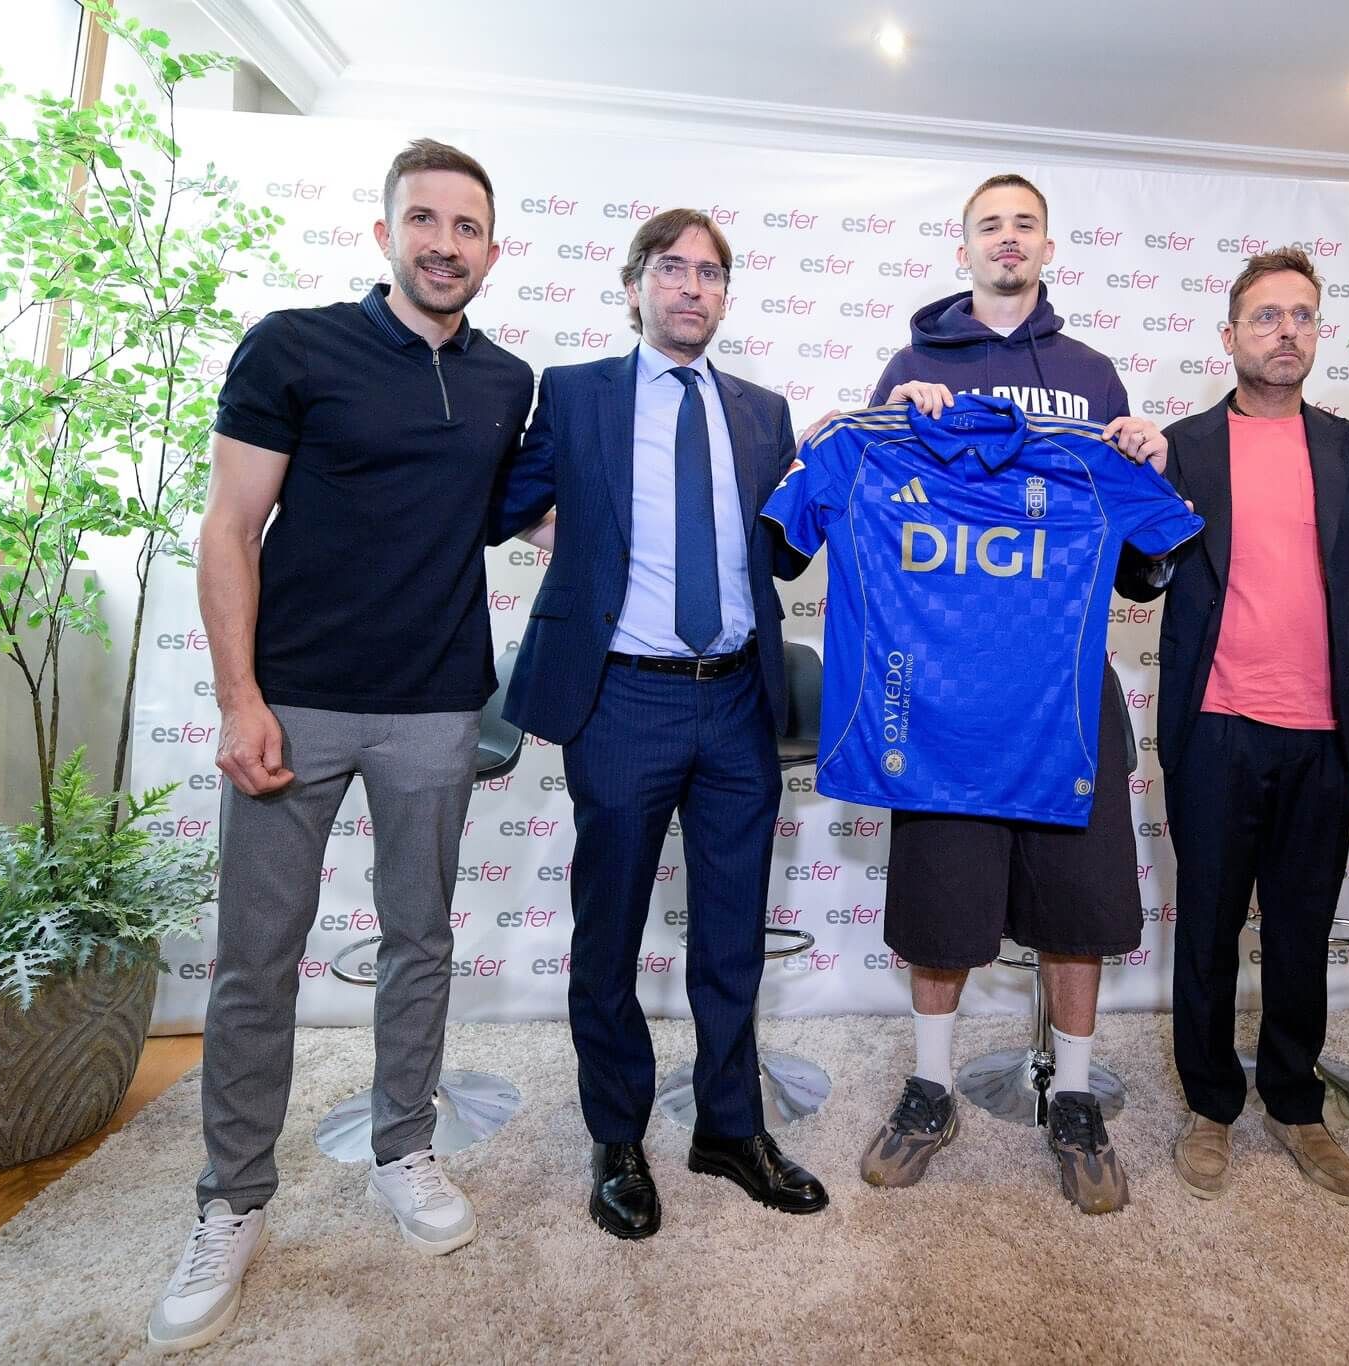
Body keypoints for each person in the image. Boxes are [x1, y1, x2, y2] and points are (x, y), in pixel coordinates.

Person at [150, 140, 533, 1353]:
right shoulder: (293, 344)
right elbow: (229, 525)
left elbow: (523, 513)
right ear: (384, 235)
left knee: (419, 941)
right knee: (255, 958)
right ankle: (232, 1201)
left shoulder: (506, 380)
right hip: (294, 702)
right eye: (422, 220)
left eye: (466, 226)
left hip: (435, 706)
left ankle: (404, 1146)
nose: (443, 242)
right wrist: (236, 697)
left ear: (491, 248)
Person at [489, 208, 827, 1243]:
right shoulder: (578, 391)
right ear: (633, 284)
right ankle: (617, 1136)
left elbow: (780, 552)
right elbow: (509, 497)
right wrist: (586, 545)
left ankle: (729, 1127)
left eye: (710, 273)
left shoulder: (764, 411)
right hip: (622, 697)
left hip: (735, 699)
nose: (691, 287)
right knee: (610, 931)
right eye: (672, 269)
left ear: (725, 295)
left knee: (730, 934)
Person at [851, 173, 1170, 1215]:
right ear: (964, 249)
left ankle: (1072, 1096)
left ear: (1045, 247)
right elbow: (878, 514)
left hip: (1067, 702)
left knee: (1075, 911)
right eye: (988, 224)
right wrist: (885, 417)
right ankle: (929, 1085)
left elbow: (1134, 563)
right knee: (940, 914)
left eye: (1022, 223)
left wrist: (1143, 463)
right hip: (945, 707)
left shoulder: (1088, 374)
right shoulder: (912, 366)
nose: (1006, 239)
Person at [1118, 248, 1349, 1205]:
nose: (1285, 331)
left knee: (1300, 928)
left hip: (1326, 734)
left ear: (1317, 333)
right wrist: (1145, 505)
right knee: (1206, 924)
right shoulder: (1184, 445)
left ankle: (1293, 1101)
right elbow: (1138, 577)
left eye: (1301, 316)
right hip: (1215, 726)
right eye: (1265, 317)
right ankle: (1212, 1103)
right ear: (1231, 337)